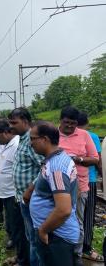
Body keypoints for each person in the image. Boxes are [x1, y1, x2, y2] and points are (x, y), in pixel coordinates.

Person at [29, 121, 79, 266]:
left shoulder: (57, 167)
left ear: (45, 139)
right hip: (54, 233)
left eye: (33, 139)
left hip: (57, 236)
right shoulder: (57, 159)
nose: (30, 143)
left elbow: (63, 209)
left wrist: (43, 230)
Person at [58, 107, 99, 265]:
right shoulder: (53, 134)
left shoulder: (84, 135)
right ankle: (62, 252)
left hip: (80, 185)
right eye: (66, 122)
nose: (69, 126)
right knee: (60, 218)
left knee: (77, 221)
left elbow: (94, 159)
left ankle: (77, 254)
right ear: (60, 120)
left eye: (73, 123)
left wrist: (78, 159)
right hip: (58, 186)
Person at [0, 119, 29, 266]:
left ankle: (17, 248)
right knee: (10, 218)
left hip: (11, 190)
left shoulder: (17, 144)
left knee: (16, 222)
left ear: (6, 133)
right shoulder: (7, 143)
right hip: (3, 190)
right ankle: (15, 244)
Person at [9, 107, 44, 266]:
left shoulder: (32, 141)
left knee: (34, 238)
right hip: (23, 198)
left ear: (25, 122)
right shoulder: (22, 139)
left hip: (31, 199)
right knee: (28, 236)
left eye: (14, 122)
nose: (11, 126)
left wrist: (30, 190)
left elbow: (44, 168)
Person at [78, 112, 104, 263]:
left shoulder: (68, 135)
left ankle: (74, 245)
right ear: (86, 123)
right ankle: (86, 247)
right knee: (88, 215)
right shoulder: (92, 136)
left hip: (73, 180)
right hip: (90, 180)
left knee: (75, 214)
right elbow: (97, 160)